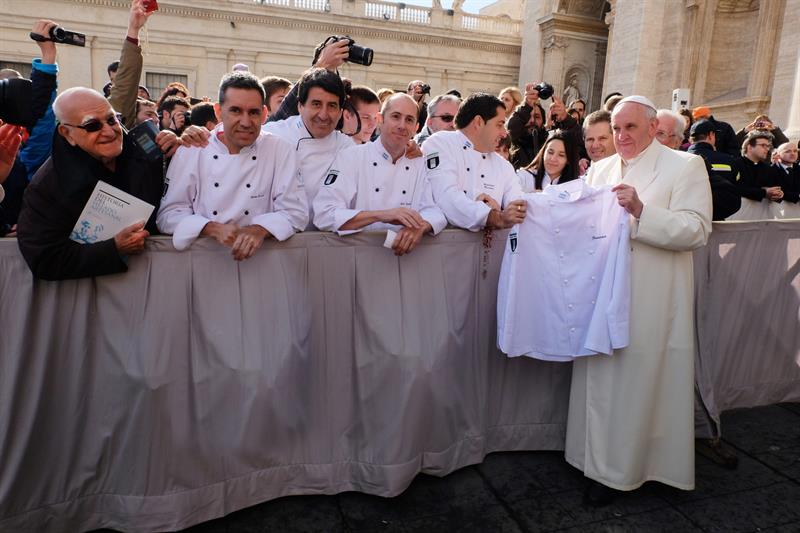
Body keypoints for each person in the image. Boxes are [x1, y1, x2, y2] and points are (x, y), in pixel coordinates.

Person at [565, 95, 712, 505]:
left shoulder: (686, 165)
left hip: (652, 297)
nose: (621, 136)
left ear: (652, 127)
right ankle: (591, 461)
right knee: (600, 378)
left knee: (635, 383)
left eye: (630, 127)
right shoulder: (600, 168)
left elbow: (697, 230)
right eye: (616, 128)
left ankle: (628, 469)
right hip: (602, 293)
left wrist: (643, 212)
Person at [16, 88, 175, 279]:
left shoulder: (145, 149)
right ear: (67, 134)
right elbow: (44, 259)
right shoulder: (47, 186)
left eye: (111, 120)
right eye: (92, 126)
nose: (109, 132)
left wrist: (188, 142)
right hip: (89, 296)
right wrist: (114, 248)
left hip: (160, 278)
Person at [157, 72, 307, 258]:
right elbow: (168, 215)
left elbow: (296, 213)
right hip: (204, 260)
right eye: (235, 111)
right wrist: (210, 228)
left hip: (262, 261)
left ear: (264, 114)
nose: (245, 122)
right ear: (219, 112)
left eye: (253, 112)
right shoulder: (192, 149)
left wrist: (259, 229)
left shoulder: (281, 150)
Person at [313, 93, 446, 255]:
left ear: (416, 128)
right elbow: (324, 214)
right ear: (380, 120)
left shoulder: (419, 163)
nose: (402, 125)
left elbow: (436, 211)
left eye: (409, 120)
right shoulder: (351, 157)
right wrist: (383, 215)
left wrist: (421, 227)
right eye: (396, 117)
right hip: (357, 257)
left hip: (405, 258)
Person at [422, 92, 527, 231]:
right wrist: (495, 217)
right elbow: (446, 198)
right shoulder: (440, 144)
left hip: (488, 251)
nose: (504, 133)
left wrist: (509, 211)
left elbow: (518, 203)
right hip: (441, 249)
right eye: (500, 124)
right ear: (478, 122)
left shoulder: (503, 166)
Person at [262, 68, 354, 224]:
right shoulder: (272, 135)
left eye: (332, 106)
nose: (323, 115)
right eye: (316, 104)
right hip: (274, 235)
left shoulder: (347, 147)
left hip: (324, 239)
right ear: (300, 106)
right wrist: (205, 135)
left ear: (340, 112)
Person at [686, 119, 741, 220]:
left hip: (685, 220)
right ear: (711, 135)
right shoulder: (728, 160)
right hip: (717, 221)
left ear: (690, 139)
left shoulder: (678, 157)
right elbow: (736, 190)